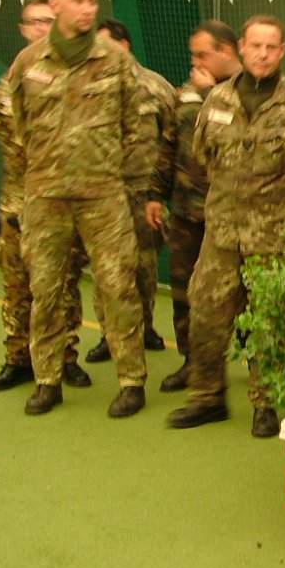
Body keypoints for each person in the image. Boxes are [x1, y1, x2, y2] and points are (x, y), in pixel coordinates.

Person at [166, 15, 285, 437]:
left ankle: (267, 404)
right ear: (241, 47)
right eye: (255, 45)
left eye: (271, 47)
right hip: (220, 237)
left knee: (271, 323)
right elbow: (205, 157)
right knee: (206, 314)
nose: (263, 54)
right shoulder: (215, 101)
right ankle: (207, 397)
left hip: (274, 240)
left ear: (283, 51)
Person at [8, 0, 148, 418]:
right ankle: (47, 378)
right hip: (46, 194)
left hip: (102, 195)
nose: (88, 9)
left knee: (117, 286)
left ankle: (131, 381)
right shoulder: (29, 62)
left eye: (93, 1)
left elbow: (134, 123)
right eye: (79, 1)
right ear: (57, 5)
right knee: (46, 288)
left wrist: (101, 163)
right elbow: (17, 124)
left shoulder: (115, 61)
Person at [0, 0, 92, 392]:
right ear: (23, 28)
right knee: (17, 286)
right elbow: (22, 144)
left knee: (65, 286)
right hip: (20, 202)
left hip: (65, 202)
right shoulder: (11, 83)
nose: (42, 29)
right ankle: (18, 360)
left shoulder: (78, 77)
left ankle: (66, 358)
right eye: (35, 22)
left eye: (50, 21)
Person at [146, 20, 242, 393]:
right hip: (188, 211)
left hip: (233, 218)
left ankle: (260, 381)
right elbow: (170, 142)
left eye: (202, 54)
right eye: (194, 54)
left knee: (246, 300)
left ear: (227, 52)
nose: (195, 61)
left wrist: (208, 96)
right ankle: (194, 365)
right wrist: (156, 194)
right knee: (186, 294)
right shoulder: (189, 91)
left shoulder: (249, 91)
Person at [84, 19, 176, 363]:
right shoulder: (89, 87)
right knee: (105, 267)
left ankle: (146, 326)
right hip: (102, 192)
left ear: (124, 46)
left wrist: (161, 191)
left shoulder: (154, 87)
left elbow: (173, 136)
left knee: (145, 265)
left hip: (143, 193)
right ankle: (110, 334)